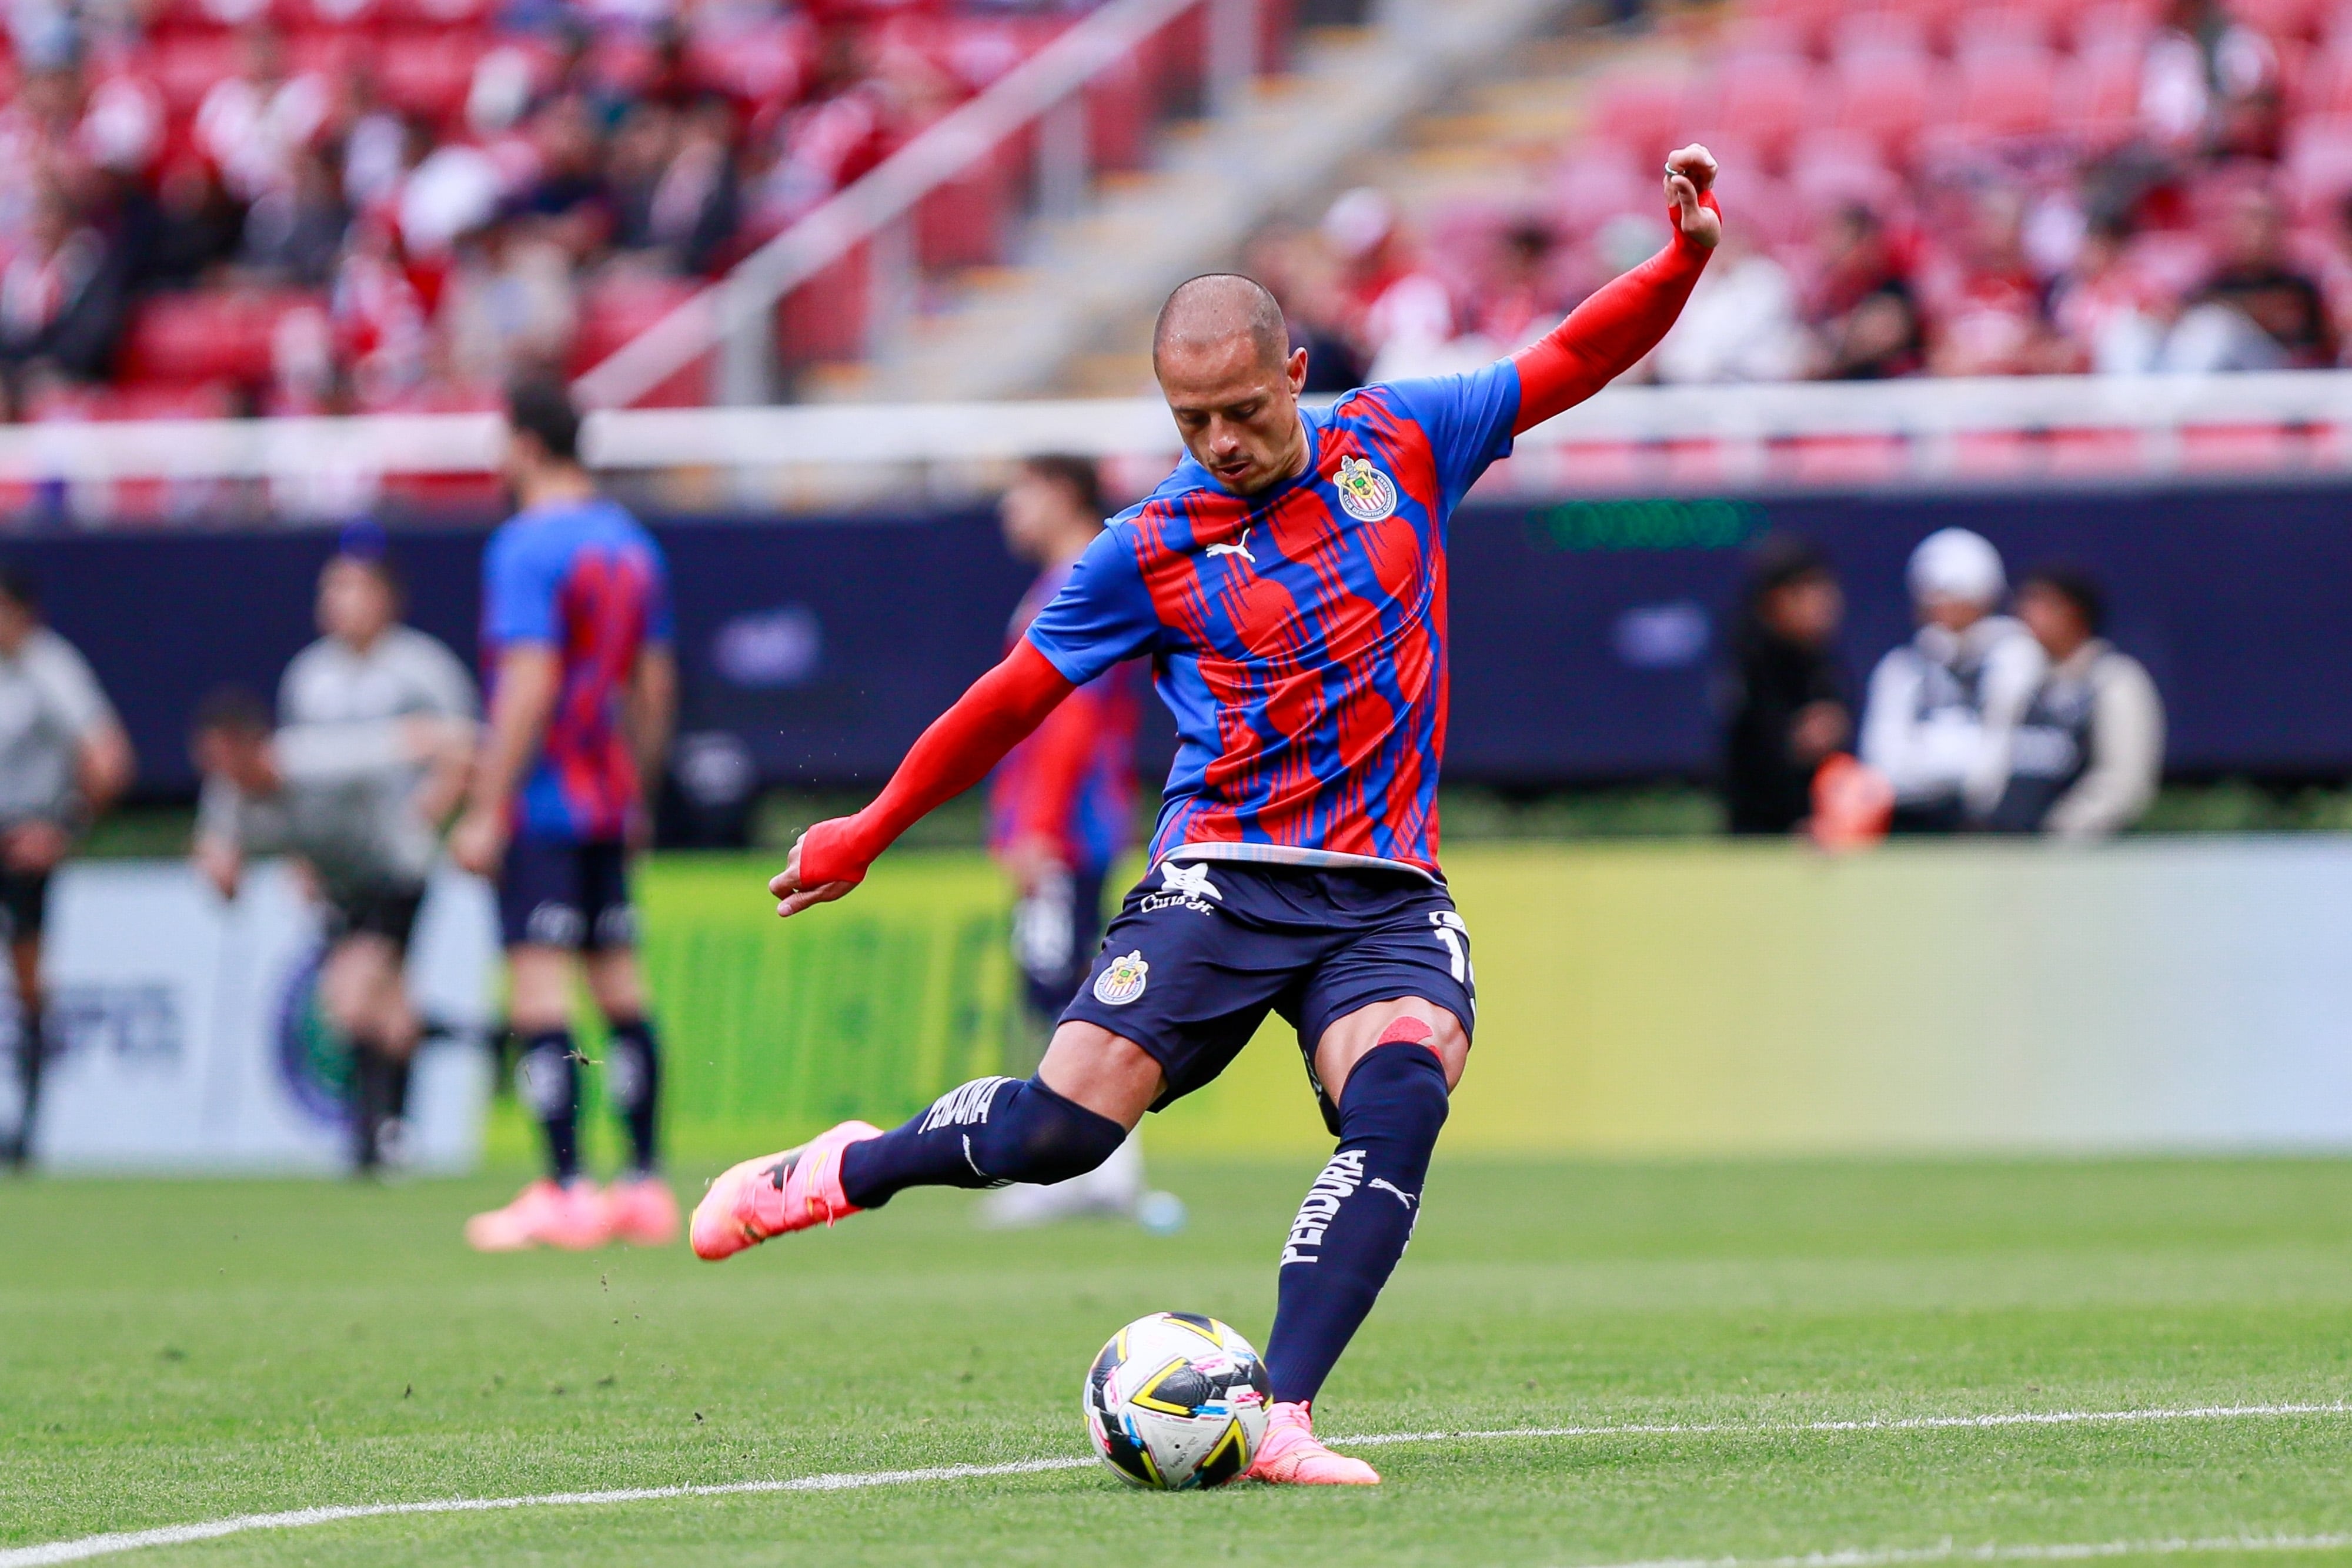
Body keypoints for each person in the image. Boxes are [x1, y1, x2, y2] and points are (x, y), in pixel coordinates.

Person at [692, 146, 1723, 1486]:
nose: (1221, 445)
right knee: (1060, 1139)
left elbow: (1574, 354)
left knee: (1400, 1094)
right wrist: (872, 826)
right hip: (1219, 881)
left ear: (1294, 373)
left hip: (1382, 890)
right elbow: (1011, 699)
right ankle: (849, 1167)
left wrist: (1682, 262)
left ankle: (1282, 1413)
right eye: (1192, 424)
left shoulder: (1404, 442)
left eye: (1240, 411)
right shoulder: (1148, 547)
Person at [452, 379, 679, 1252]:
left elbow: (530, 678)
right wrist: (639, 792)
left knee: (540, 990)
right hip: (608, 797)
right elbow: (653, 686)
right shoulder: (633, 545)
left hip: (545, 802)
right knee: (621, 986)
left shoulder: (523, 545)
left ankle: (563, 1188)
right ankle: (646, 1183)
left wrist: (487, 803)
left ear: (524, 443)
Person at [189, 537, 477, 1173]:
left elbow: (454, 745)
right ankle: (402, 1116)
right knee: (385, 1004)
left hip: (395, 860)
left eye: (348, 588)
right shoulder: (309, 676)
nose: (335, 603)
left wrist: (427, 813)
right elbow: (261, 795)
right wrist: (292, 860)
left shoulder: (420, 668)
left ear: (385, 598)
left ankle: (372, 1134)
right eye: (329, 590)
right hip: (338, 868)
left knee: (350, 997)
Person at [975, 455, 1166, 1231]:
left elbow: (1071, 720)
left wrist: (1036, 826)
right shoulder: (1076, 578)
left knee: (1061, 989)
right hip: (1078, 817)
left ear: (1060, 492)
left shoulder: (1078, 582)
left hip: (1066, 823)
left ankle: (1074, 1162)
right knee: (1073, 984)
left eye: (1018, 489)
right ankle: (1106, 1164)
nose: (1007, 508)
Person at [0, 564, 133, 1170]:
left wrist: (65, 828)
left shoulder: (49, 670)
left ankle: (27, 1126)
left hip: (19, 842)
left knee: (28, 980)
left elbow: (108, 758)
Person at [1858, 528, 2044, 833]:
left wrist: (1933, 756)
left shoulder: (2017, 657)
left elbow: (2000, 761)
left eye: (1955, 595)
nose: (1940, 606)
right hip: (1913, 826)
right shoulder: (1902, 667)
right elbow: (1882, 766)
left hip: (1994, 828)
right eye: (1931, 595)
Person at [1987, 568, 2164, 838]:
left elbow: (2125, 782)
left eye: (2041, 604)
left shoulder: (2114, 680)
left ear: (2074, 613)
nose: (2026, 614)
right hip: (2011, 851)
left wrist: (2062, 831)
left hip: (2082, 859)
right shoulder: (2024, 682)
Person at [1719, 535, 1849, 837]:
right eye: (1808, 589)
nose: (1826, 600)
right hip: (1761, 840)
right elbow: (1749, 768)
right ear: (1776, 600)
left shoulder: (1827, 665)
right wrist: (1795, 743)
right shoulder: (1752, 666)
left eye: (1825, 587)